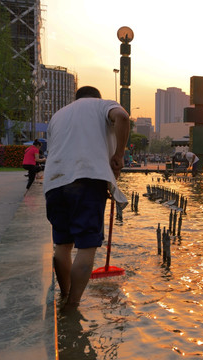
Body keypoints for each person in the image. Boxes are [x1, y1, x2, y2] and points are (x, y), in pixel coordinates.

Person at [43, 85, 130, 310]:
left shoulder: (58, 115)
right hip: (87, 180)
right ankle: (72, 305)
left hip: (54, 182)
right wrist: (119, 154)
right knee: (86, 248)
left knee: (62, 245)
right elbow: (122, 116)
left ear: (76, 98)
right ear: (96, 96)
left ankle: (65, 294)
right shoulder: (103, 105)